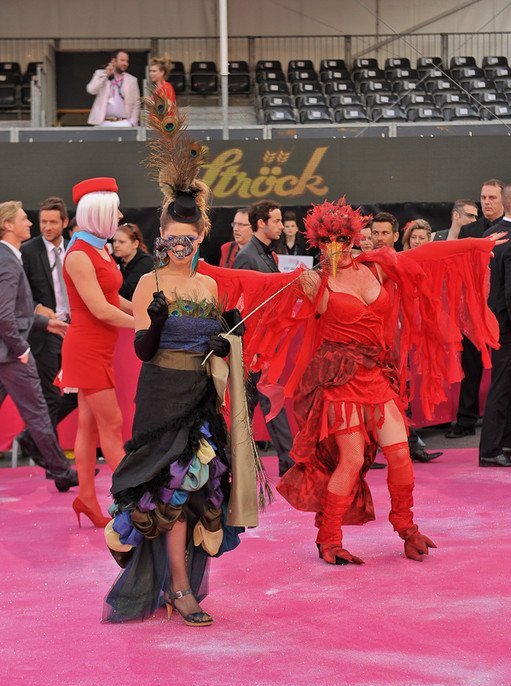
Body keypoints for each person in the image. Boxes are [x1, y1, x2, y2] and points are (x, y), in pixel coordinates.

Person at [271, 198, 501, 565]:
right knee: (351, 459)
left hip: (376, 374)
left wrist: (477, 244)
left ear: (353, 237)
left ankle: (407, 529)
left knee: (400, 454)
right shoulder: (314, 280)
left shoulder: (376, 267)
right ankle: (328, 538)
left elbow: (426, 256)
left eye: (342, 238)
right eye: (327, 240)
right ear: (317, 241)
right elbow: (261, 293)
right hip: (339, 378)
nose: (336, 246)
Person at [104, 106, 262, 625]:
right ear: (160, 238)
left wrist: (228, 339)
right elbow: (142, 352)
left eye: (188, 241)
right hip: (160, 400)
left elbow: (218, 349)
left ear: (199, 238)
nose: (179, 247)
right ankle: (177, 587)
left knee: (196, 493)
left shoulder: (209, 285)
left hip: (199, 400)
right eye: (171, 239)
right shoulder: (148, 283)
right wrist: (153, 324)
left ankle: (179, 584)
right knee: (169, 492)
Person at [57, 177, 135, 527]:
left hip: (97, 347)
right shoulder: (78, 255)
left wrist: (144, 312)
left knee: (89, 426)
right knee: (112, 424)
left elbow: (112, 298)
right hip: (87, 348)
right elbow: (100, 310)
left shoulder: (98, 249)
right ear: (100, 213)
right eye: (115, 210)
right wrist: (143, 324)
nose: (120, 215)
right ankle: (136, 499)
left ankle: (86, 498)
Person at [0, 201, 78, 492]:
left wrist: (46, 324)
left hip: (9, 349)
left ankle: (60, 469)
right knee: (38, 412)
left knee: (40, 410)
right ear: (8, 225)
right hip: (11, 354)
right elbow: (4, 314)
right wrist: (21, 349)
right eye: (24, 219)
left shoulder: (8, 257)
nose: (31, 223)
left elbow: (14, 311)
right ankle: (61, 471)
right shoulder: (8, 261)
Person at [370, 212, 442, 463]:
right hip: (369, 344)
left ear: (395, 236)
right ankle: (381, 449)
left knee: (401, 391)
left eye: (384, 233)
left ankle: (408, 444)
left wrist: (480, 245)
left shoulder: (404, 262)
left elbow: (442, 252)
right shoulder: (362, 264)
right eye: (375, 233)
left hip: (398, 342)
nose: (379, 238)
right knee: (372, 397)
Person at [233, 200, 294, 476]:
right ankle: (287, 463)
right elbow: (242, 305)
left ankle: (284, 462)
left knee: (255, 404)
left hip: (266, 342)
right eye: (277, 221)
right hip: (254, 345)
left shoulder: (267, 254)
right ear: (262, 223)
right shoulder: (247, 256)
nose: (281, 226)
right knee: (258, 404)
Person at [446, 179, 505, 439]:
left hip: (502, 308)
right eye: (483, 198)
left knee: (504, 369)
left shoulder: (508, 229)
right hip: (473, 309)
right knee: (470, 368)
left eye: (492, 197)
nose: (487, 202)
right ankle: (465, 420)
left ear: (503, 200)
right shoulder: (470, 231)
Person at [20, 197, 77, 447]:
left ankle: (32, 439)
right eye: (43, 221)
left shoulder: (74, 249)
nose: (47, 227)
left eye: (53, 222)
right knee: (51, 395)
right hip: (45, 333)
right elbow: (19, 293)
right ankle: (48, 453)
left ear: (64, 222)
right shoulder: (28, 251)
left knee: (77, 394)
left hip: (74, 330)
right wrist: (37, 308)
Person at [478, 183, 511, 467]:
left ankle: (503, 443)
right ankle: (490, 449)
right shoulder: (505, 237)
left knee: (504, 383)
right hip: (506, 324)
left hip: (494, 320)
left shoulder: (491, 235)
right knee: (501, 385)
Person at [86, 49, 141, 127]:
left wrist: (132, 122)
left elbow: (136, 102)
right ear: (113, 61)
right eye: (122, 60)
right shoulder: (101, 74)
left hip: (124, 122)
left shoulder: (132, 80)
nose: (125, 63)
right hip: (103, 122)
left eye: (127, 61)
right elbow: (91, 89)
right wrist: (106, 74)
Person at [113, 222, 154, 300]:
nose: (116, 245)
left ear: (135, 244)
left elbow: (127, 291)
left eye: (121, 242)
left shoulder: (146, 262)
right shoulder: (115, 258)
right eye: (114, 241)